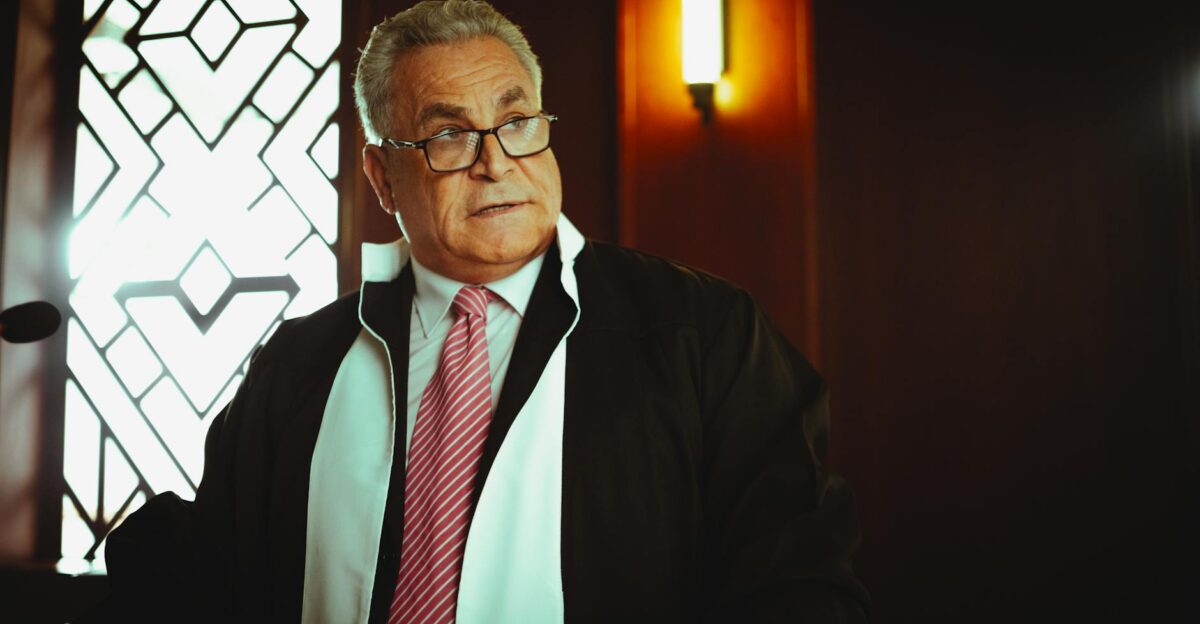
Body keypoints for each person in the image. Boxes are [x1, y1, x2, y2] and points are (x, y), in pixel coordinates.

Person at [96, 1, 868, 622]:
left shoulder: (703, 334)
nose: (496, 160)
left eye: (517, 121)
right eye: (448, 135)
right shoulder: (300, 364)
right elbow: (215, 570)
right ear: (382, 175)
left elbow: (797, 579)